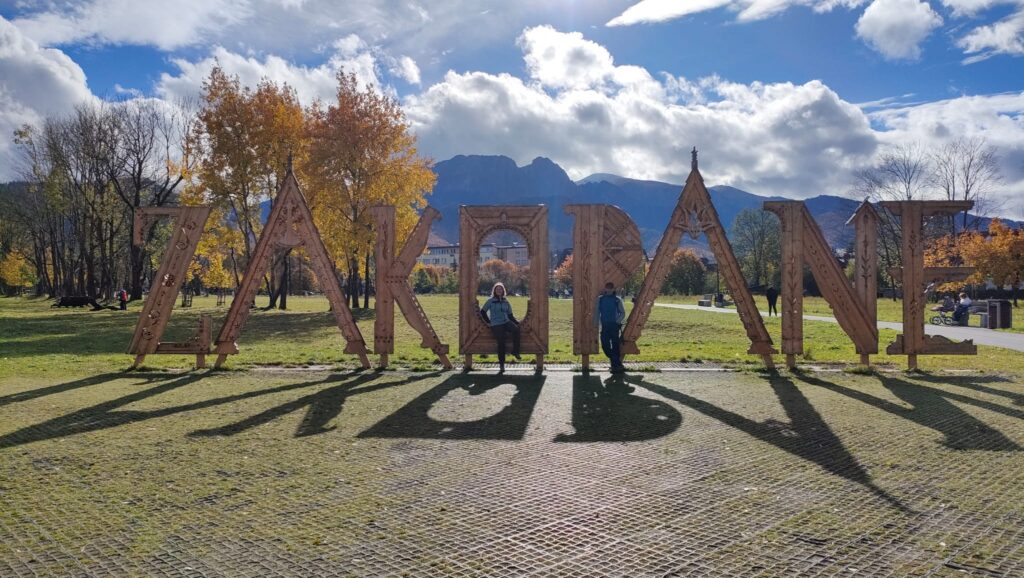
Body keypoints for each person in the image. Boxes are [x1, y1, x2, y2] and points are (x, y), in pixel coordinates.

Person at [480, 282, 520, 374]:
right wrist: (488, 322)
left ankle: (515, 351)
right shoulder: (490, 300)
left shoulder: (506, 301)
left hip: (506, 321)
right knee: (501, 343)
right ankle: (502, 365)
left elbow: (510, 315)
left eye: (501, 289)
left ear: (503, 291)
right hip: (496, 324)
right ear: (494, 291)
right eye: (497, 289)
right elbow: (482, 312)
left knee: (516, 330)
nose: (499, 290)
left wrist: (517, 323)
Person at [596, 282, 626, 373]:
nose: (609, 289)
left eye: (611, 288)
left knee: (615, 346)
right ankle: (617, 363)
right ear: (605, 289)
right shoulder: (600, 299)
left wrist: (617, 322)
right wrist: (596, 324)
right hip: (605, 326)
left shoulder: (617, 299)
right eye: (607, 288)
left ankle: (615, 367)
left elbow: (623, 313)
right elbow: (597, 312)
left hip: (614, 326)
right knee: (605, 345)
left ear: (613, 289)